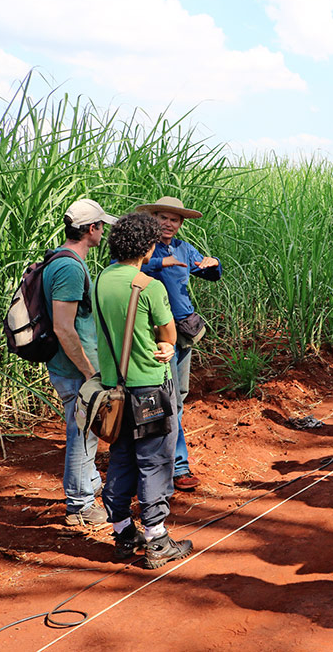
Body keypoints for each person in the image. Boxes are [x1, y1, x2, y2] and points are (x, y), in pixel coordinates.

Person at [96, 212, 193, 567]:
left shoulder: (101, 279)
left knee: (121, 456)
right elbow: (169, 335)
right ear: (148, 247)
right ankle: (156, 538)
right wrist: (165, 346)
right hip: (150, 387)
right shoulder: (149, 285)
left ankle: (123, 532)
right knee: (154, 461)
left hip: (113, 391)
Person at [135, 196, 222, 492]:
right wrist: (161, 262)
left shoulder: (184, 247)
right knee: (166, 398)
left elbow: (208, 273)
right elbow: (123, 269)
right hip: (157, 332)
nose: (168, 224)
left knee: (179, 396)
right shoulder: (143, 247)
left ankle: (169, 462)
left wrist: (213, 264)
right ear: (153, 218)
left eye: (175, 219)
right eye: (163, 217)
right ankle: (175, 467)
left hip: (183, 331)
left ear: (181, 224)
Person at [44, 199, 118, 526]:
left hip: (68, 366)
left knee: (84, 430)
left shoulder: (59, 259)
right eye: (101, 226)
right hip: (74, 369)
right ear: (91, 230)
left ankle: (89, 487)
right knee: (82, 433)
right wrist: (89, 371)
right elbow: (63, 326)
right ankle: (80, 506)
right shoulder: (71, 267)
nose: (103, 231)